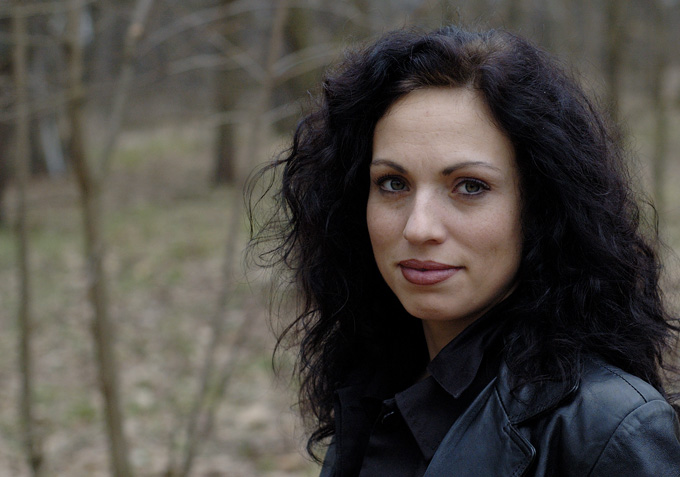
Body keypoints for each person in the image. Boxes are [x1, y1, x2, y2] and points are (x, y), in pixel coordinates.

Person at [247, 26, 680, 476]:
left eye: (470, 187)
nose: (419, 227)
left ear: (541, 208)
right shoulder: (376, 382)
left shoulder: (609, 429)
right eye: (393, 183)